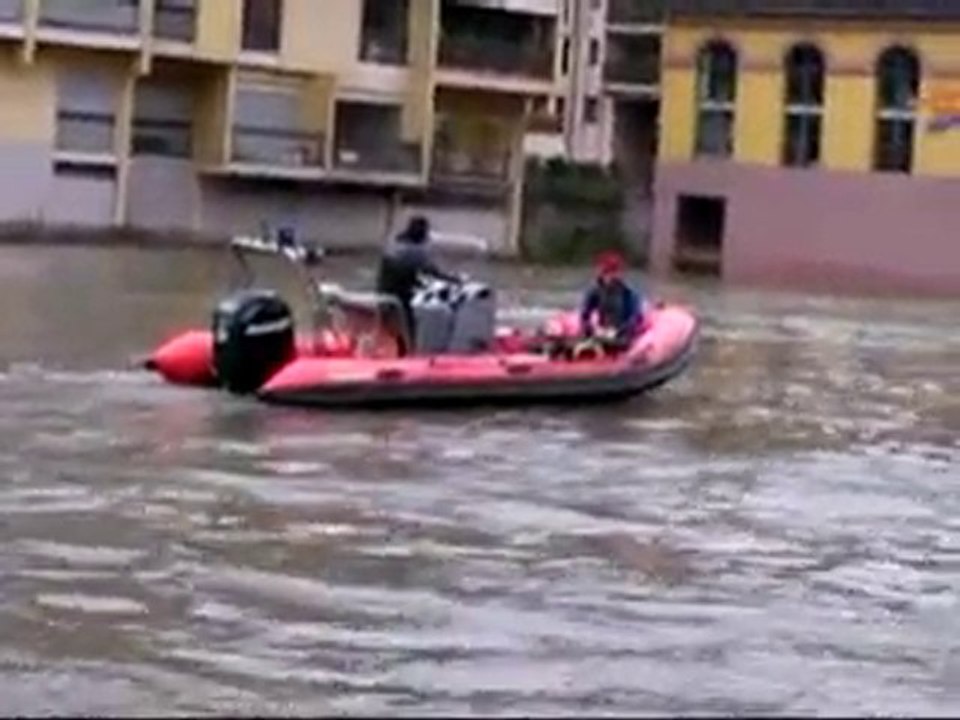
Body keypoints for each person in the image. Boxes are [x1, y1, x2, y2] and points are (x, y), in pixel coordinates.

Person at [375, 215, 460, 355]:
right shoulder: (414, 251)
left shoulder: (395, 244)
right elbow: (433, 272)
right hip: (401, 300)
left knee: (397, 330)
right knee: (414, 325)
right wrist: (455, 280)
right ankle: (411, 353)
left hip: (385, 293)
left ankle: (401, 351)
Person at [578, 250, 645, 354]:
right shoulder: (595, 292)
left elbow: (636, 317)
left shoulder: (628, 293)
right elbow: (584, 315)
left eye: (614, 273)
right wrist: (591, 330)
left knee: (621, 343)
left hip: (622, 334)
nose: (610, 277)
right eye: (607, 273)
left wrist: (618, 331)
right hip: (601, 332)